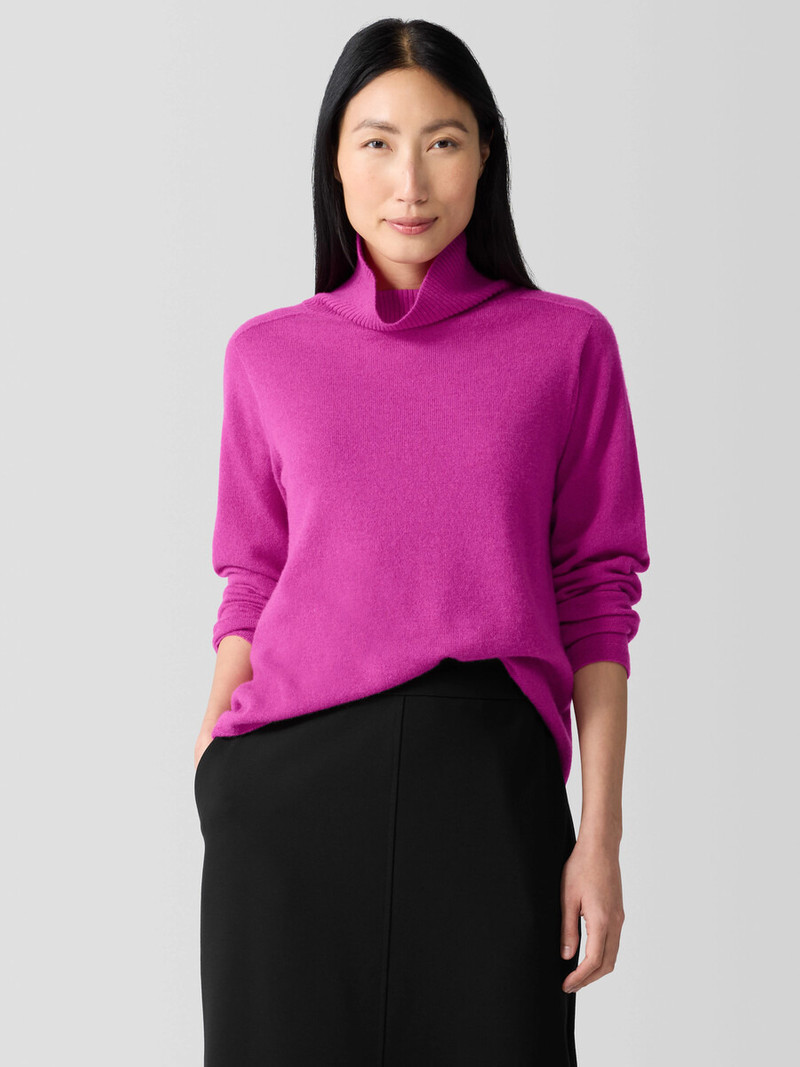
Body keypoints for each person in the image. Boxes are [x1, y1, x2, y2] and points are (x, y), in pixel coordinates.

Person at [193, 16, 650, 1067]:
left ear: (486, 154)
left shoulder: (566, 344)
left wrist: (599, 835)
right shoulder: (267, 354)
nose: (410, 181)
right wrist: (211, 754)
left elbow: (595, 592)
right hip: (285, 802)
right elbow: (252, 574)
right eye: (377, 142)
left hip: (487, 789)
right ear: (333, 159)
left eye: (442, 141)